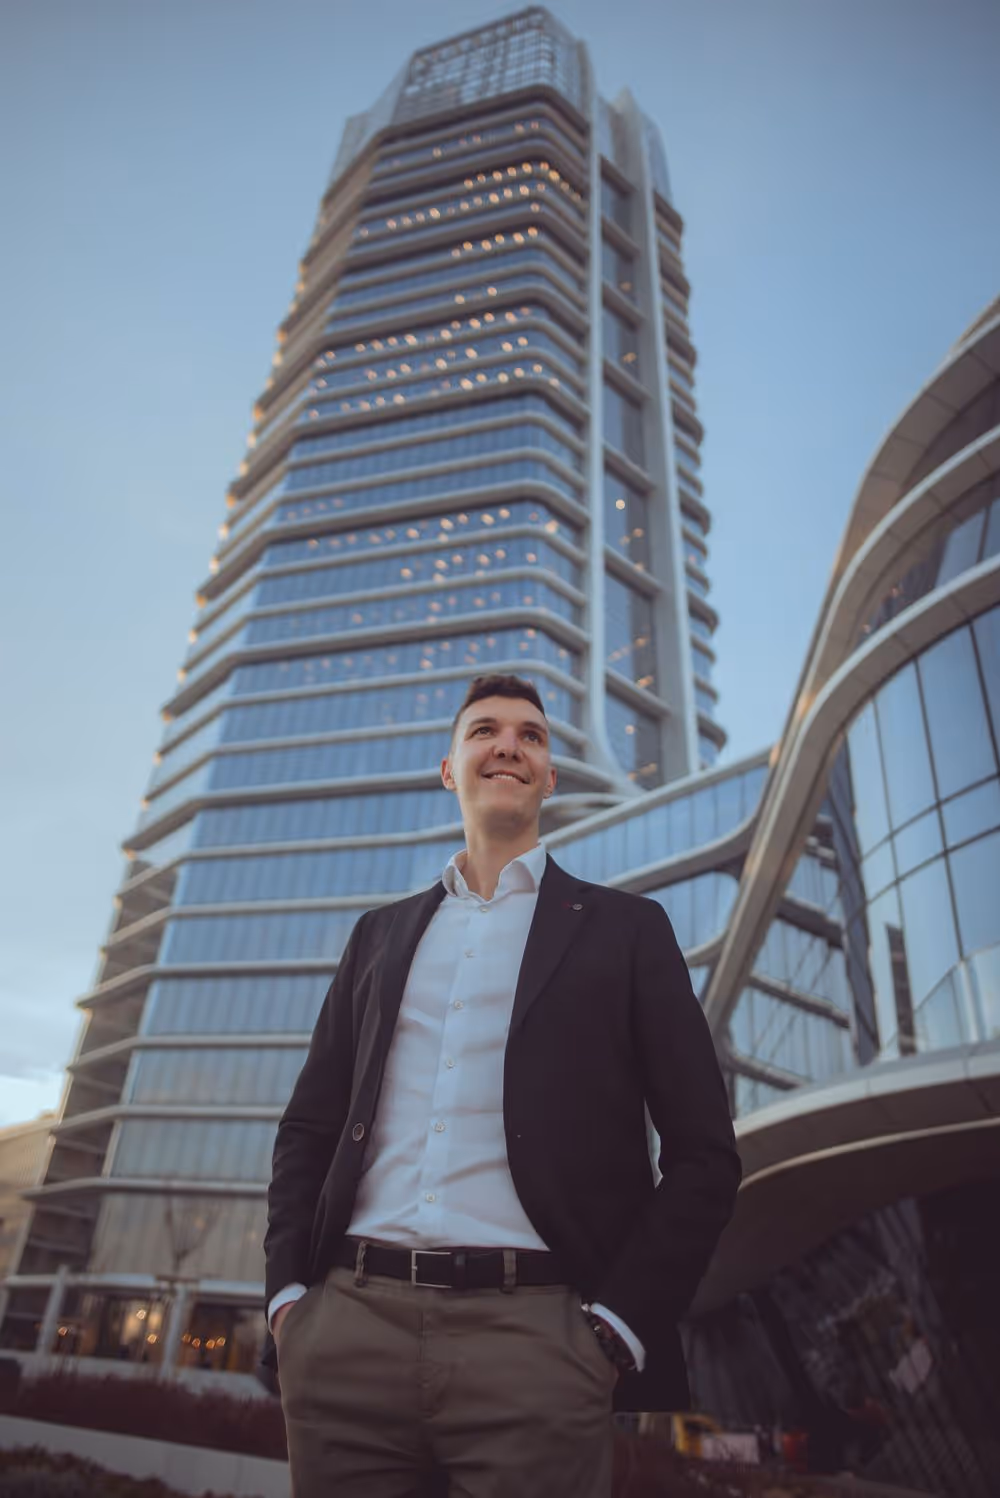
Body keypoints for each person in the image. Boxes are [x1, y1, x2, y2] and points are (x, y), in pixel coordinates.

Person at [262, 673, 742, 1498]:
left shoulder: (629, 932)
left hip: (539, 1346)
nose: (509, 745)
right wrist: (288, 1302)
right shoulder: (378, 936)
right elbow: (308, 1128)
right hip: (346, 1332)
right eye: (485, 730)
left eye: (532, 735)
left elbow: (704, 1154)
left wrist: (617, 1329)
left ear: (550, 778)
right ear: (449, 768)